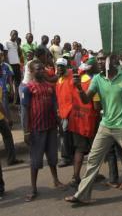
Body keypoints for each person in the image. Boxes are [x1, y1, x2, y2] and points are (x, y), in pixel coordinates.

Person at [65, 52, 122, 204]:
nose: (100, 62)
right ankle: (81, 195)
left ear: (113, 59)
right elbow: (86, 99)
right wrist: (79, 88)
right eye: (99, 59)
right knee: (93, 160)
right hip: (105, 126)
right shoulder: (97, 79)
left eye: (103, 58)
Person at [22, 60, 65, 202]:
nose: (41, 71)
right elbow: (25, 111)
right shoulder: (27, 88)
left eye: (42, 69)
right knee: (35, 160)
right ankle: (33, 188)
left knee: (52, 157)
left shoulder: (49, 87)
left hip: (51, 127)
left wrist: (59, 124)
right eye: (38, 69)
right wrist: (26, 131)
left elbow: (54, 106)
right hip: (36, 129)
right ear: (32, 71)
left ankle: (56, 180)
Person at [68, 57, 101, 187]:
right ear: (93, 67)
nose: (99, 66)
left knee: (79, 149)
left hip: (76, 119)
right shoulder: (94, 82)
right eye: (97, 65)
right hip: (90, 120)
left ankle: (75, 177)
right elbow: (97, 106)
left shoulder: (77, 80)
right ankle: (92, 175)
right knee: (94, 149)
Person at [55, 58, 74, 168]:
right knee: (65, 134)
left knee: (65, 134)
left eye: (62, 66)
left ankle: (66, 157)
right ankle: (69, 156)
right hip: (62, 111)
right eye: (58, 66)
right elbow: (59, 97)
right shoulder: (59, 80)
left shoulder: (71, 78)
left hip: (70, 111)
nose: (60, 68)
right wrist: (58, 110)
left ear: (66, 67)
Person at [4, 30, 22, 104]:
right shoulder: (6, 42)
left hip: (17, 65)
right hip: (11, 65)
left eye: (16, 35)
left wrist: (18, 45)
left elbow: (19, 54)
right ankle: (10, 100)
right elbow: (5, 55)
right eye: (14, 34)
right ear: (10, 34)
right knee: (9, 82)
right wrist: (8, 65)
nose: (15, 36)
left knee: (18, 83)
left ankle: (17, 100)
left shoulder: (16, 43)